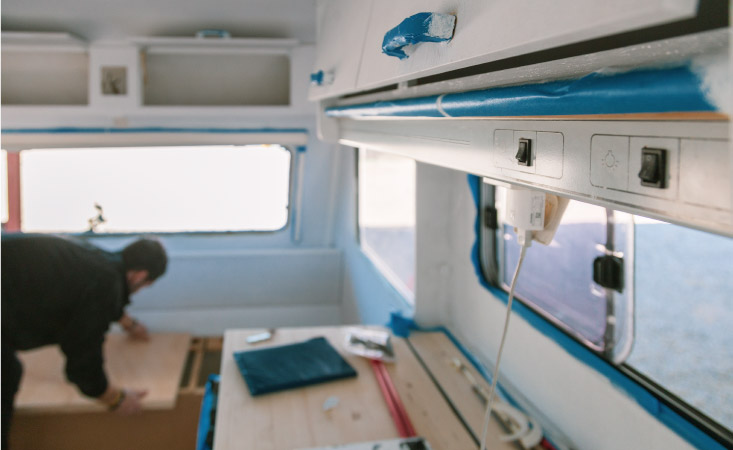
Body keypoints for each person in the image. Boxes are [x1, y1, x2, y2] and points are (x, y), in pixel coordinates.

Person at [1, 234, 168, 449]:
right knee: (5, 374)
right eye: (147, 284)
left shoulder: (98, 261)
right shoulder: (104, 283)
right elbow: (82, 360)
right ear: (140, 276)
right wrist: (114, 398)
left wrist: (129, 324)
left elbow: (89, 296)